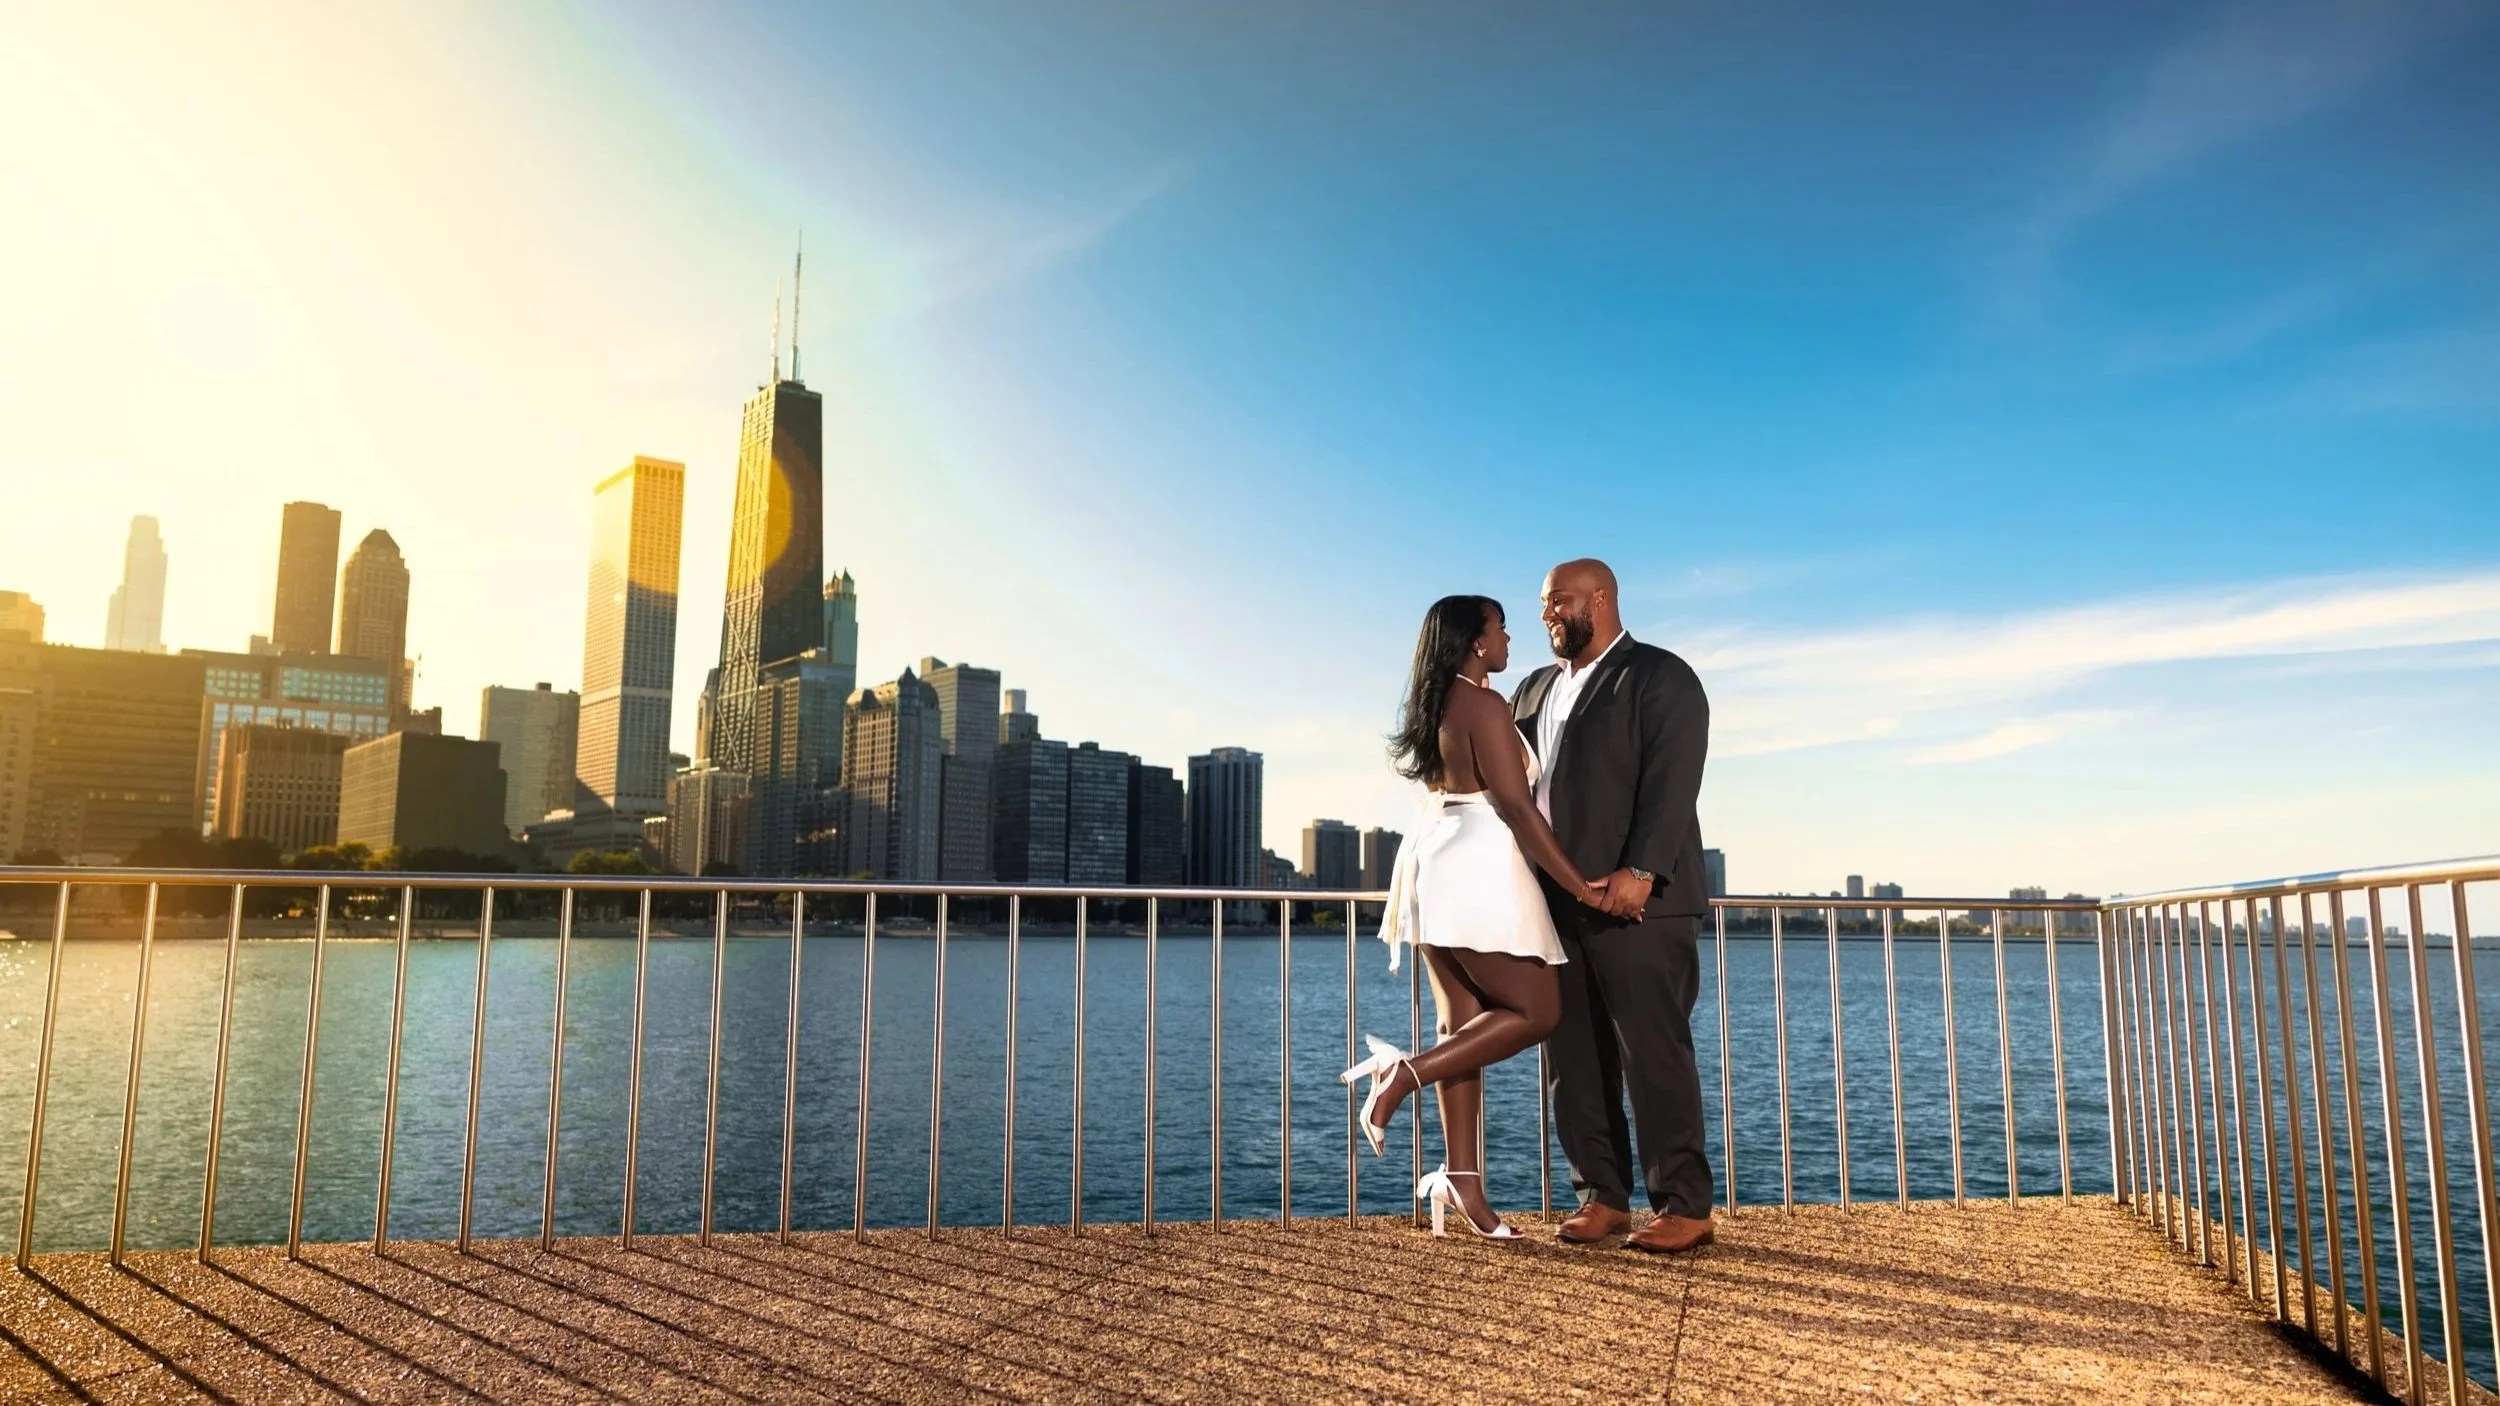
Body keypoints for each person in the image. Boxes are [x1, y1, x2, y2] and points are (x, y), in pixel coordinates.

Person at [1346, 594, 1606, 1239]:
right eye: (1499, 628)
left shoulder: (1436, 702)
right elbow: (1519, 809)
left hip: (1433, 857)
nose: (1509, 638)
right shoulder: (1485, 703)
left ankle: (1462, 1180)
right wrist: (1580, 886)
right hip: (1480, 861)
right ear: (1472, 641)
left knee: (1461, 1021)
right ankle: (1401, 1075)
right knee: (1539, 1011)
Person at [1513, 558, 1715, 1253]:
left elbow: (1673, 779)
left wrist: (1643, 870)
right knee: (1572, 1057)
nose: (1547, 615)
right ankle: (1602, 1196)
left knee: (1652, 1052)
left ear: (1600, 598)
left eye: (1558, 601)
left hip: (1640, 903)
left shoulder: (1661, 676)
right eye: (1543, 605)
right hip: (1553, 902)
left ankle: (1684, 1205)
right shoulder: (1534, 688)